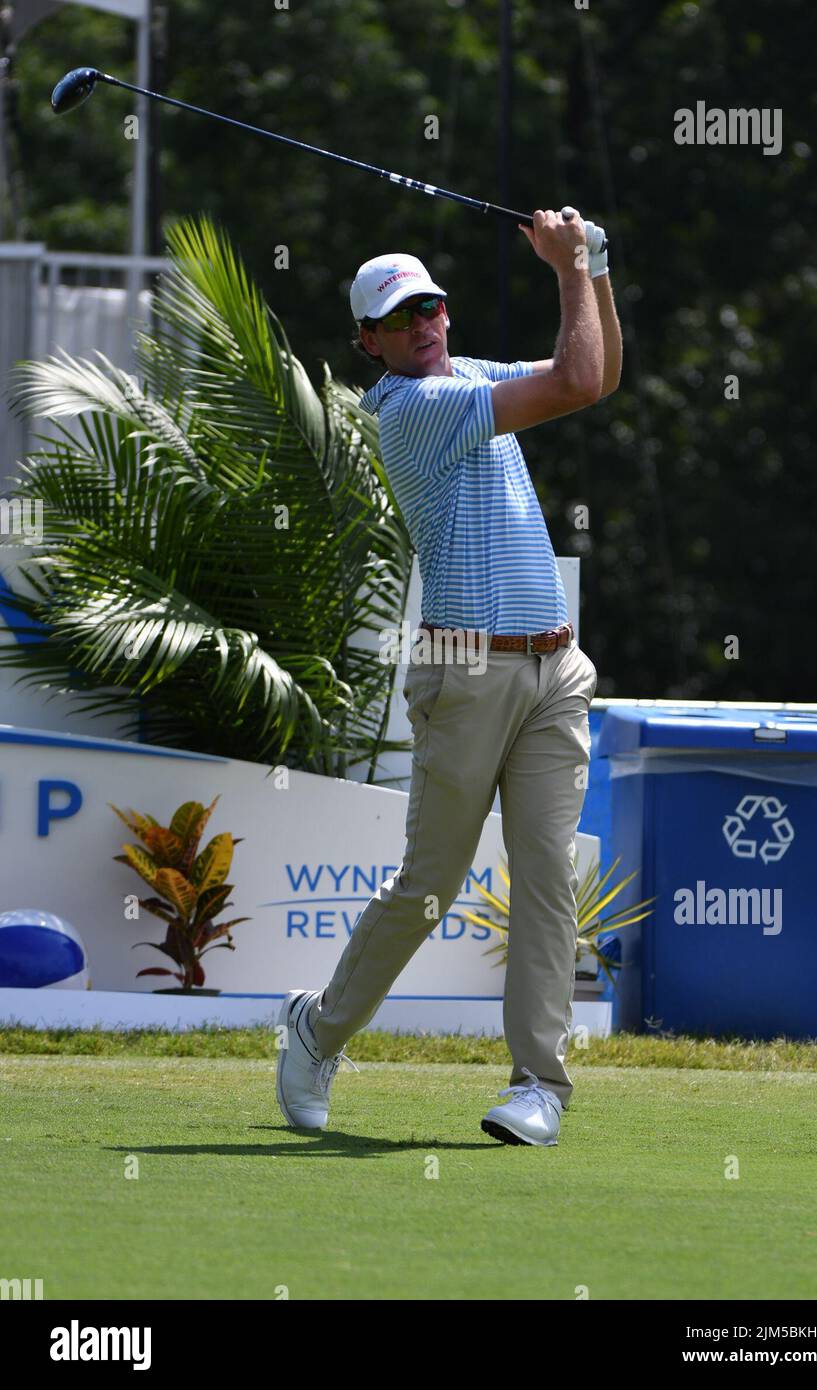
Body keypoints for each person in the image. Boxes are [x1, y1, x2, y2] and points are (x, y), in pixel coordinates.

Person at [276, 206, 622, 1145]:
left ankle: (537, 1087)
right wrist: (568, 269)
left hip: (555, 666)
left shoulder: (465, 374)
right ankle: (318, 1030)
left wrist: (590, 264)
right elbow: (578, 379)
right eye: (399, 319)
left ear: (445, 313)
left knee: (548, 878)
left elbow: (593, 377)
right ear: (369, 344)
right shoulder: (412, 408)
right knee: (429, 885)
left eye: (429, 306)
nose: (422, 325)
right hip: (463, 669)